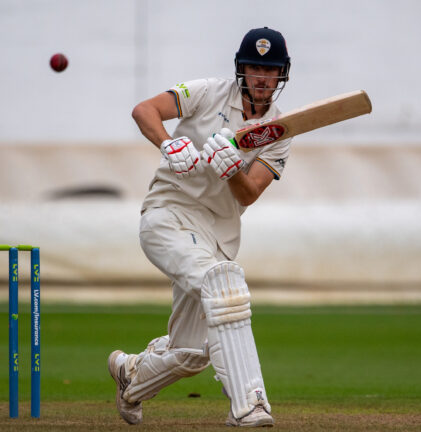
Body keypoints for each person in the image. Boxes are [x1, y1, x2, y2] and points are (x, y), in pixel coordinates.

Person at [108, 27, 292, 428]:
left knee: (190, 354)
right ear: (241, 69)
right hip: (168, 215)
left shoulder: (279, 131)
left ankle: (131, 376)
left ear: (282, 75)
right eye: (255, 68)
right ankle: (250, 404)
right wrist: (167, 143)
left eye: (270, 70)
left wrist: (231, 169)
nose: (262, 78)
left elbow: (249, 194)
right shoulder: (207, 92)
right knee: (223, 285)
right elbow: (144, 110)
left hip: (215, 237)